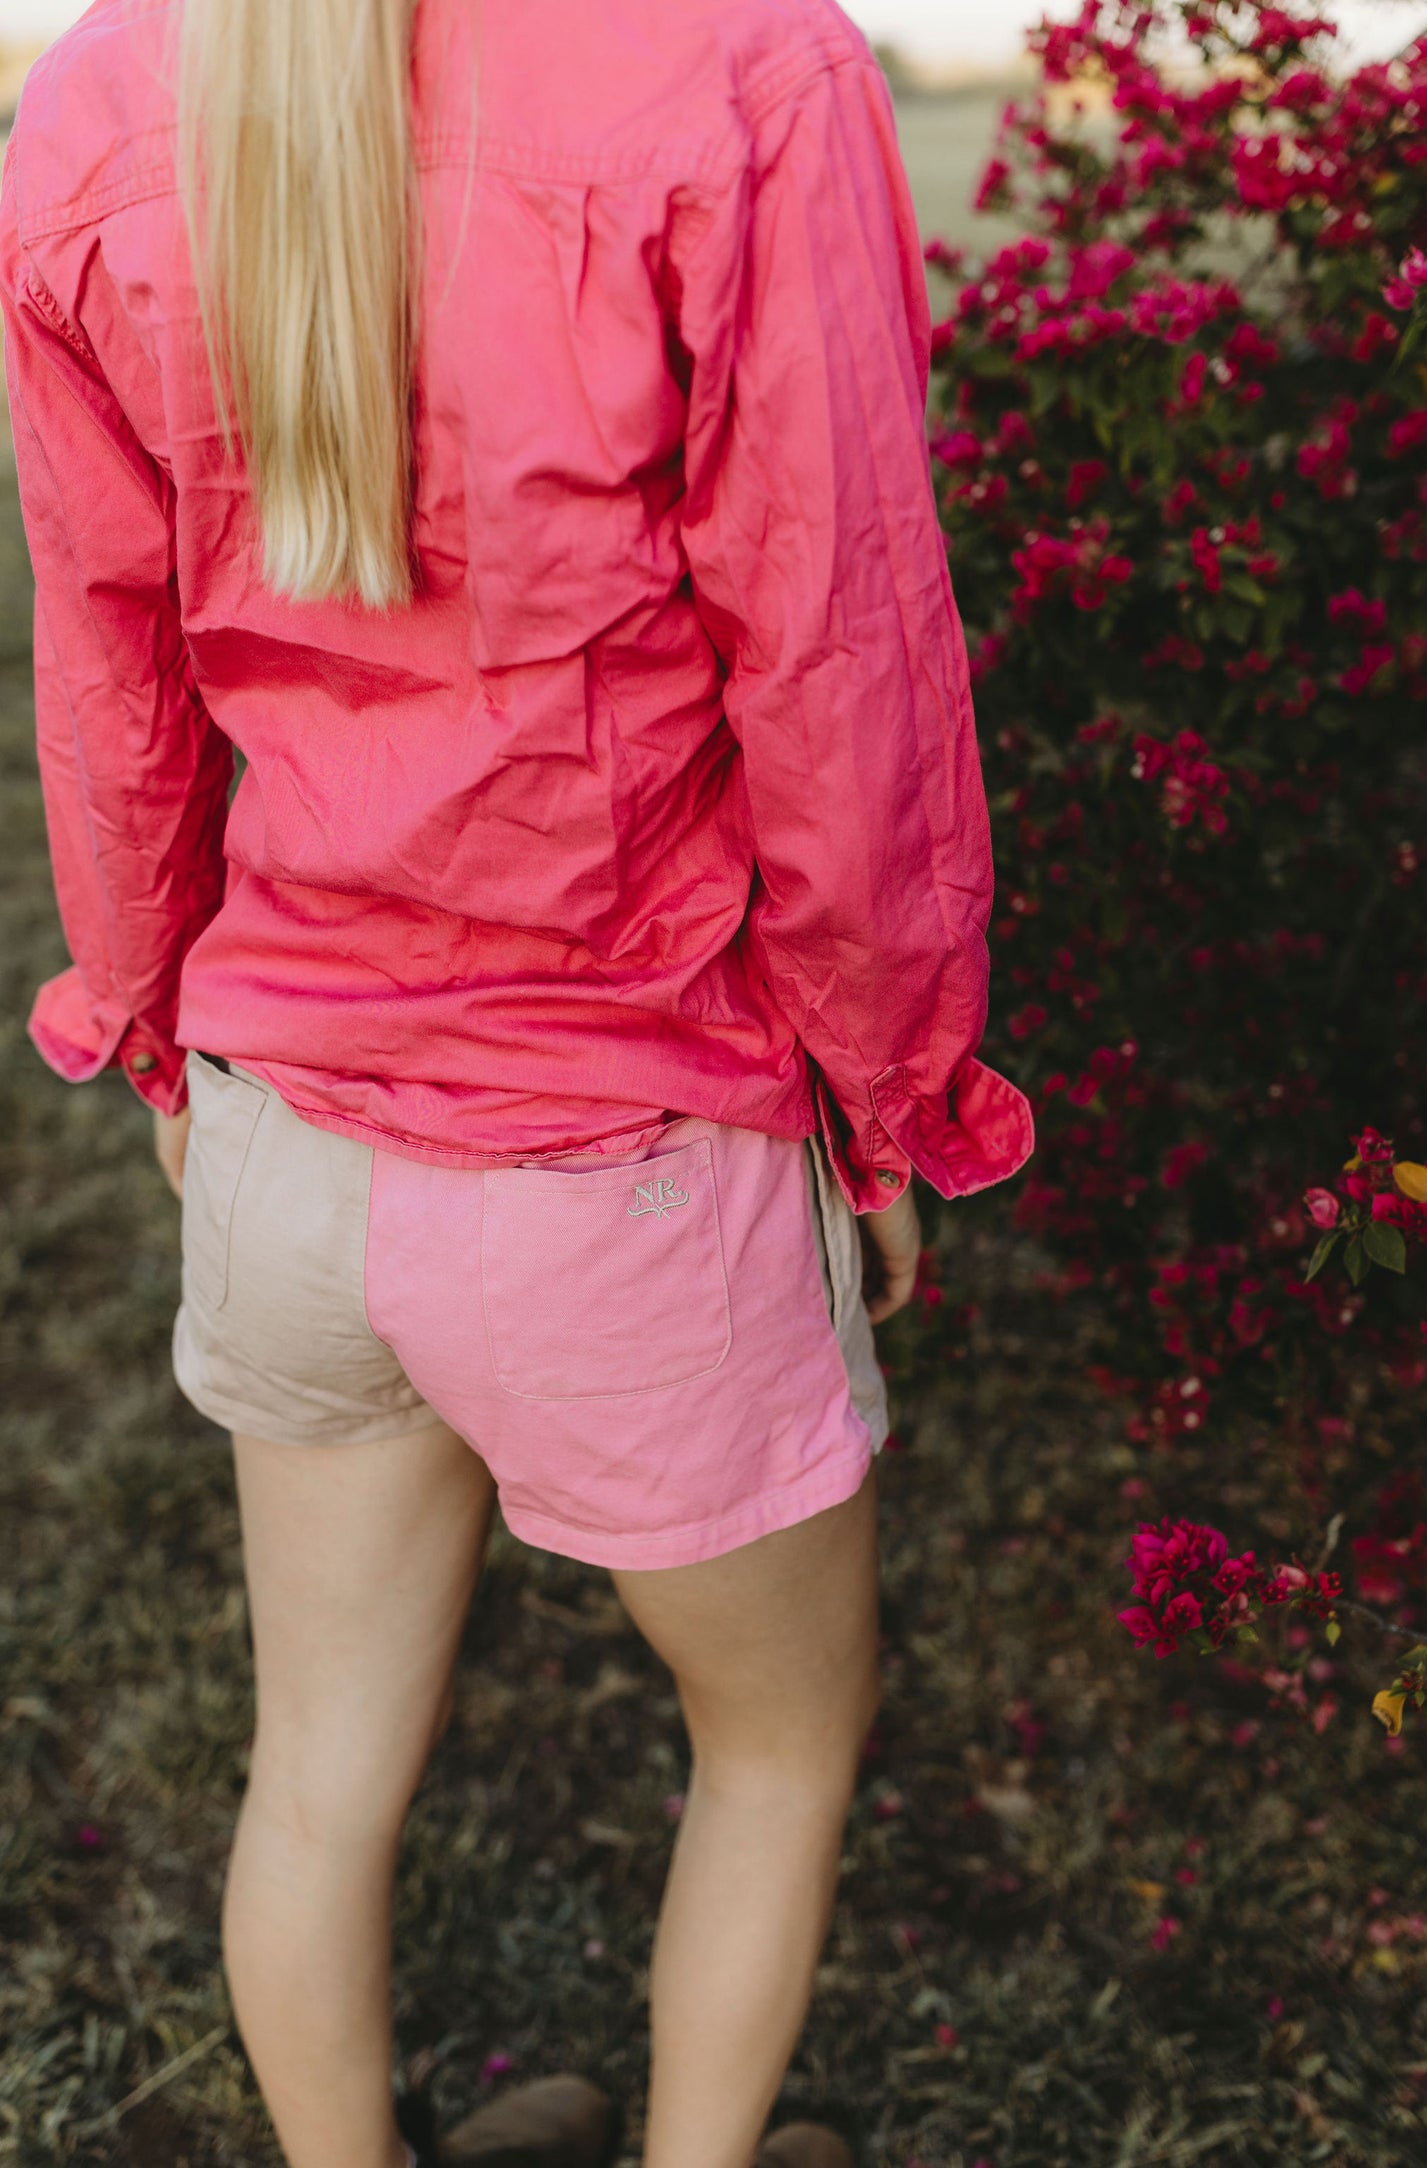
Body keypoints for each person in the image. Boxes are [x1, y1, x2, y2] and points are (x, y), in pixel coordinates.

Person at [0, 0, 1033, 2161]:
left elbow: (107, 656)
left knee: (318, 1775)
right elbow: (836, 648)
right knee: (772, 1741)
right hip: (622, 1147)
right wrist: (893, 1084)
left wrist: (156, 1012)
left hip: (290, 1135)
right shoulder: (748, 62)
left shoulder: (106, 86)